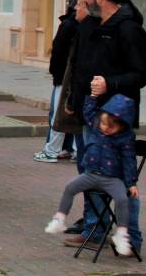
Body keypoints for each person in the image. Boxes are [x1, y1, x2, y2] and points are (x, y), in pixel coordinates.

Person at [64, 0, 146, 252]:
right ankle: (95, 228)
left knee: (122, 178)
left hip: (115, 118)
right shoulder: (91, 24)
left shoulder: (128, 29)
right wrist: (74, 100)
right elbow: (80, 65)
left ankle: (130, 236)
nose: (83, 1)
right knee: (90, 171)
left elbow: (141, 74)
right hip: (89, 113)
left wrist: (110, 83)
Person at [45, 93, 137, 257]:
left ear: (122, 126)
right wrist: (92, 97)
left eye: (111, 127)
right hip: (91, 175)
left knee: (122, 199)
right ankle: (59, 219)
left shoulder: (125, 138)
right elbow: (88, 111)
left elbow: (129, 161)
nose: (105, 128)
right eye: (103, 124)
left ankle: (122, 234)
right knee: (69, 187)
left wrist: (131, 183)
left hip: (111, 179)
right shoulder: (96, 126)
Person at [36, 0, 83, 163]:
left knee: (58, 114)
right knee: (69, 115)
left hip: (65, 77)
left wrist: (55, 73)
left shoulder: (70, 25)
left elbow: (59, 52)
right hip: (69, 76)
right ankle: (71, 149)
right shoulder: (77, 25)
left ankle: (52, 150)